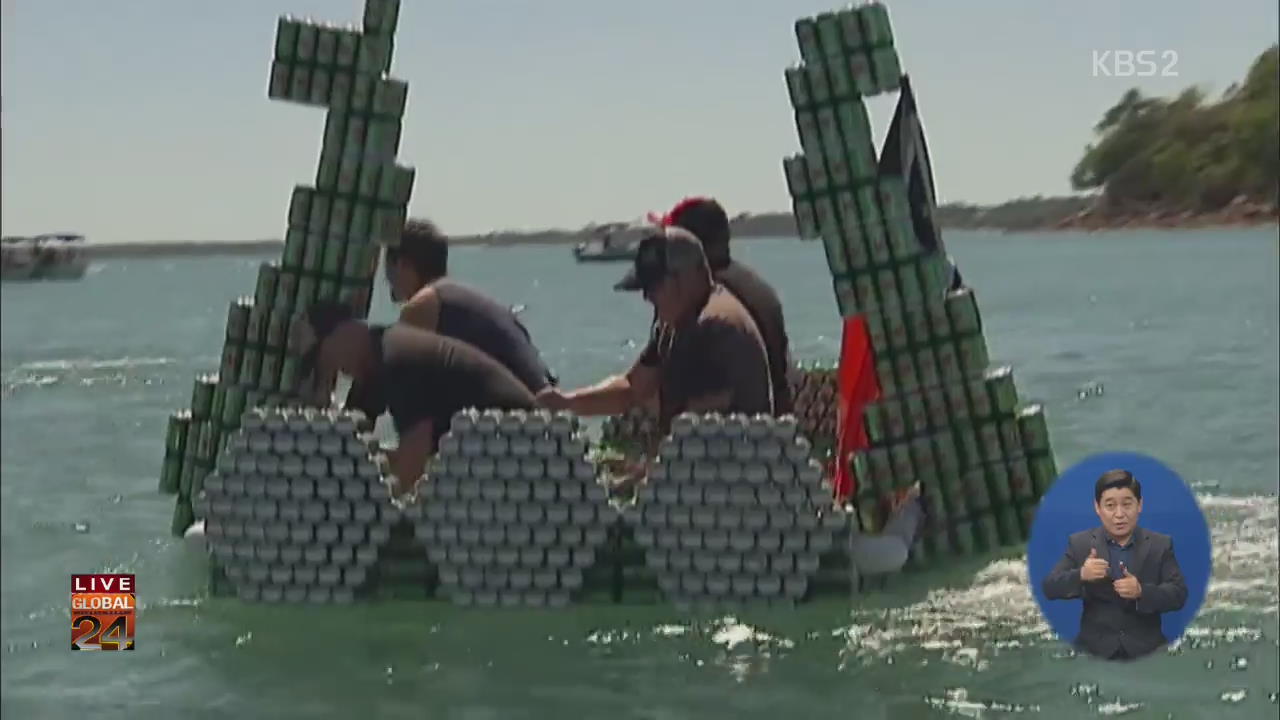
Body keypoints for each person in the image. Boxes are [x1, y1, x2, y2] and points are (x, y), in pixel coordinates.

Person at [536, 226, 773, 441]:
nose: (647, 297)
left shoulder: (713, 327)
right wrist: (567, 402)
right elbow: (632, 388)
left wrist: (652, 471)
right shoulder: (673, 324)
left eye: (654, 287)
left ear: (686, 277)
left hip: (733, 469)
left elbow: (697, 424)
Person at [293, 300, 537, 494]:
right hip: (488, 457)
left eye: (321, 358)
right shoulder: (375, 361)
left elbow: (414, 456)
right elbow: (357, 443)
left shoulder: (398, 359)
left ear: (345, 332)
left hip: (520, 448)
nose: (329, 370)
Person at [651, 197, 795, 415]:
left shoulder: (691, 299)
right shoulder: (761, 291)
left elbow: (674, 395)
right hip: (773, 436)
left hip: (723, 438)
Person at [383, 218, 557, 394]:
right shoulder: (467, 299)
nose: (387, 279)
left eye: (388, 267)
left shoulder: (422, 307)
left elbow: (388, 381)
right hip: (548, 411)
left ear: (402, 264)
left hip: (516, 415)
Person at [1041, 469, 1189, 661]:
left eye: (1127, 505)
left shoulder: (1160, 545)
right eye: (1110, 506)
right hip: (1092, 651)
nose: (1119, 514)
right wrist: (1081, 575)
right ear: (1097, 508)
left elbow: (1179, 594)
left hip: (1148, 651)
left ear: (1140, 505)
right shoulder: (1080, 544)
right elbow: (1050, 587)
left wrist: (1142, 592)